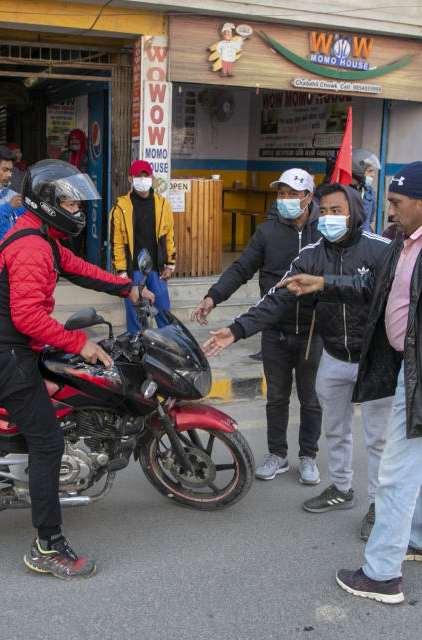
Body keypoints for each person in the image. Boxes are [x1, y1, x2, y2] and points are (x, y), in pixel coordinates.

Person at [287, 161, 422, 605]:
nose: (391, 209)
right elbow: (373, 288)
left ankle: (382, 573)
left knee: (396, 474)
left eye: (398, 202)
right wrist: (323, 282)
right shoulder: (404, 243)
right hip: (410, 366)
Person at [0, 159, 154, 580]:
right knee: (48, 444)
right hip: (4, 359)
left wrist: (127, 287)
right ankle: (46, 545)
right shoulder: (32, 245)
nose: (77, 210)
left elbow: (79, 268)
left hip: (13, 352)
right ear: (48, 202)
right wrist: (79, 343)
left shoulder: (39, 237)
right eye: (70, 202)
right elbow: (28, 318)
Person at [203, 183, 393, 537]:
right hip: (334, 355)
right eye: (327, 211)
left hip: (375, 358)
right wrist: (236, 330)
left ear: (355, 212)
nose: (330, 217)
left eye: (339, 211)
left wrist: (324, 283)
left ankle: (380, 507)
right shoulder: (310, 254)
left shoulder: (381, 250)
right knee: (335, 429)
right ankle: (341, 487)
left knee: (378, 439)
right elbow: (276, 299)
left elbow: (378, 290)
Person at [192, 168, 323, 484]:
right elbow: (240, 269)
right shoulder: (267, 233)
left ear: (308, 197)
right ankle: (277, 454)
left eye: (292, 194)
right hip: (274, 330)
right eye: (281, 194)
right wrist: (213, 297)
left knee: (311, 400)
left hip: (313, 332)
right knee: (276, 397)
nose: (285, 200)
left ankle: (308, 456)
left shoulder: (324, 233)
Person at [110, 160, 176, 333]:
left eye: (146, 175)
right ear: (130, 179)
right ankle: (137, 349)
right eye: (138, 176)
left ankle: (167, 346)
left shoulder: (163, 205)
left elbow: (169, 236)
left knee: (164, 312)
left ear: (152, 178)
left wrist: (170, 264)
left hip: (157, 268)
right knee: (136, 314)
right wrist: (122, 273)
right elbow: (116, 243)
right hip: (134, 270)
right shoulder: (120, 207)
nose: (142, 179)